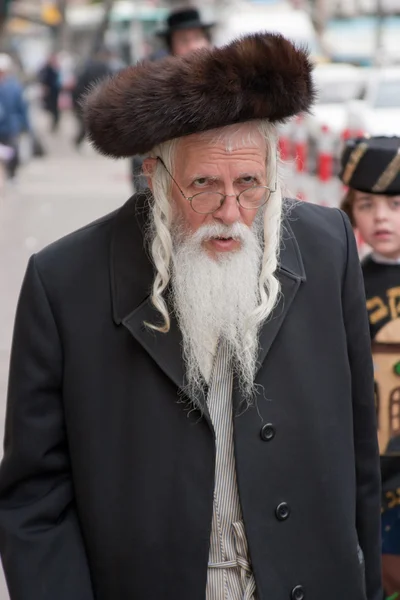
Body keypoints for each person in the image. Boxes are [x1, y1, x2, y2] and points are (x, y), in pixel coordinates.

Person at [0, 33, 382, 600]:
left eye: (249, 184)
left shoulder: (328, 248)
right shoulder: (65, 282)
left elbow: (359, 449)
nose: (230, 214)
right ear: (154, 175)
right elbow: (35, 500)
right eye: (203, 185)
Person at [340, 135, 400, 598]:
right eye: (367, 204)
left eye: (396, 204)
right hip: (378, 467)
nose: (381, 217)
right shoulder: (348, 283)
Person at [131, 7, 213, 193]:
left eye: (197, 37)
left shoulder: (225, 81)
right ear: (171, 46)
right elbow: (142, 154)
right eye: (184, 40)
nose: (193, 46)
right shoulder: (154, 88)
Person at [71, 49, 115, 149]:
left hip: (85, 99)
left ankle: (79, 141)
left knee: (86, 124)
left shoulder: (88, 68)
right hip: (100, 100)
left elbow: (79, 85)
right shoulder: (106, 68)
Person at [0, 53, 29, 180]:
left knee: (13, 152)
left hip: (10, 126)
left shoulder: (14, 87)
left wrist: (26, 126)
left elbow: (22, 107)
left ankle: (12, 175)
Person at [38, 54, 61, 132]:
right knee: (51, 109)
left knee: (55, 110)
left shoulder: (56, 68)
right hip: (50, 92)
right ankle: (53, 123)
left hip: (55, 92)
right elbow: (43, 79)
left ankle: (55, 123)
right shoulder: (47, 69)